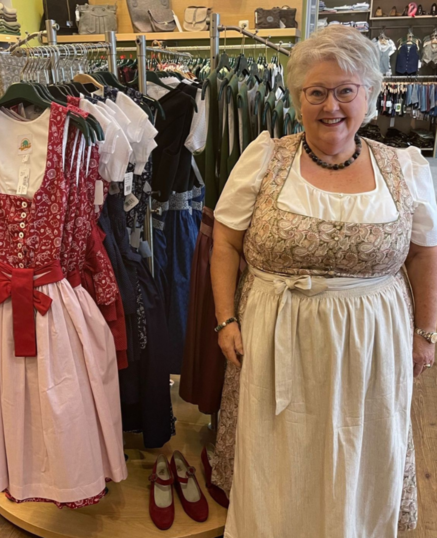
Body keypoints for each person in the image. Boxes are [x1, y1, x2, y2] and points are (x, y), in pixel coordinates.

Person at [210, 26, 437, 537]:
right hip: (275, 338)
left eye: (345, 91)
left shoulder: (402, 166)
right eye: (316, 92)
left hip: (371, 345)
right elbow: (224, 243)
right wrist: (225, 319)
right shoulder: (265, 159)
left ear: (369, 96)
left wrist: (426, 333)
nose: (330, 105)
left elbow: (424, 254)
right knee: (279, 455)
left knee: (361, 446)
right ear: (296, 99)